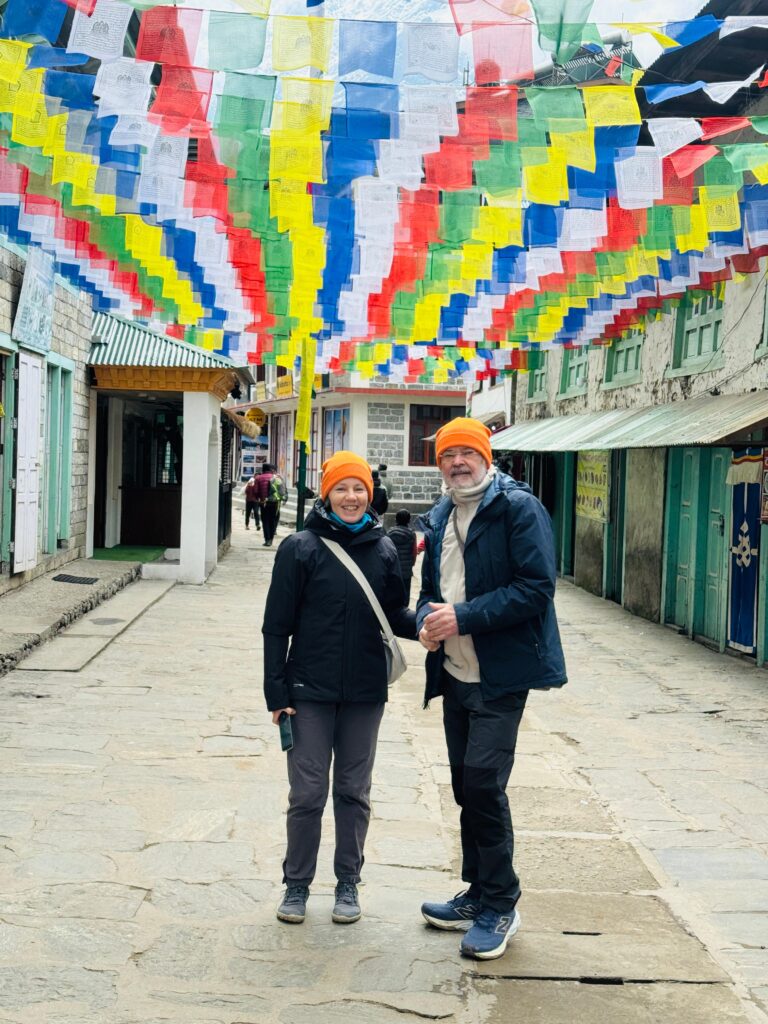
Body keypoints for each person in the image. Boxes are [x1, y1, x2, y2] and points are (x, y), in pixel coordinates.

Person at [416, 417, 567, 961]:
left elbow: (535, 588)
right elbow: (429, 593)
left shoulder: (517, 508)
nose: (457, 463)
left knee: (482, 782)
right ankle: (477, 892)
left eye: (467, 454)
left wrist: (462, 617)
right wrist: (425, 622)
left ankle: (502, 902)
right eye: (448, 455)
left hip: (501, 675)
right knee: (464, 784)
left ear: (486, 457)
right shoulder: (441, 514)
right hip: (455, 671)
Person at [262, 451, 416, 926]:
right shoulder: (300, 548)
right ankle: (297, 884)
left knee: (353, 791)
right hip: (307, 690)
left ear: (371, 495)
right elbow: (276, 626)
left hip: (365, 693)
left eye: (359, 489)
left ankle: (348, 881)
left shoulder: (386, 549)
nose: (351, 497)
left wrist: (433, 619)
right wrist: (277, 693)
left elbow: (394, 618)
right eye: (342, 488)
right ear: (326, 492)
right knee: (307, 793)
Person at [388, 508, 417, 604]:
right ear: (409, 520)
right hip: (406, 570)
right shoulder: (412, 534)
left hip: (392, 569)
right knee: (406, 593)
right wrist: (411, 564)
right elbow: (414, 552)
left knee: (392, 592)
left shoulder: (389, 533)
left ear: (396, 519)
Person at [255, 464, 280, 547]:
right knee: (272, 521)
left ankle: (267, 539)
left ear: (263, 469)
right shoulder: (275, 478)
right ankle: (271, 539)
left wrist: (259, 498)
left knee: (265, 521)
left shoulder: (258, 478)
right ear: (270, 469)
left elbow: (256, 491)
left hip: (264, 503)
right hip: (275, 502)